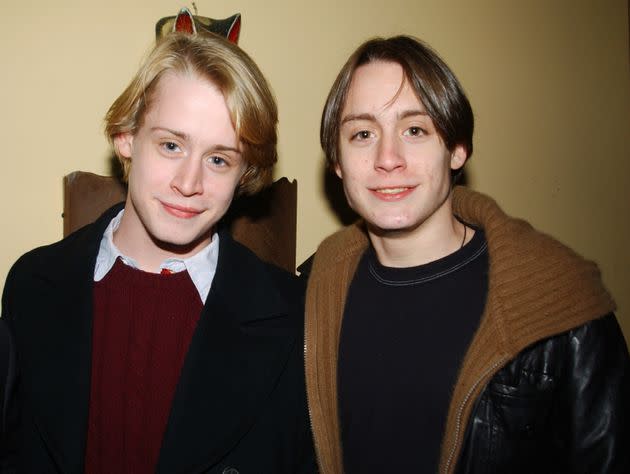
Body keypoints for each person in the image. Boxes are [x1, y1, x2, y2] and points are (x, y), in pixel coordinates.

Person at [303, 35, 629, 474]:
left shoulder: (563, 308)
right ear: (338, 162)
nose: (388, 158)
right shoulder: (313, 290)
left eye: (415, 130)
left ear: (457, 149)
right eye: (362, 134)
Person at [2, 31, 314, 473]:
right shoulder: (32, 286)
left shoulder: (292, 316)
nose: (189, 183)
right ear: (126, 138)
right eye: (171, 145)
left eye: (219, 159)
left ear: (245, 174)